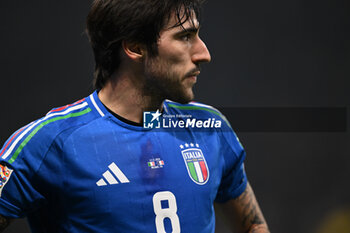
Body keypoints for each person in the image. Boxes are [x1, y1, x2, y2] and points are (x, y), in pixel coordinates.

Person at [0, 0, 270, 232]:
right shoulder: (50, 143)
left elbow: (253, 226)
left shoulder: (208, 128)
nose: (204, 54)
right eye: (185, 36)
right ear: (135, 47)